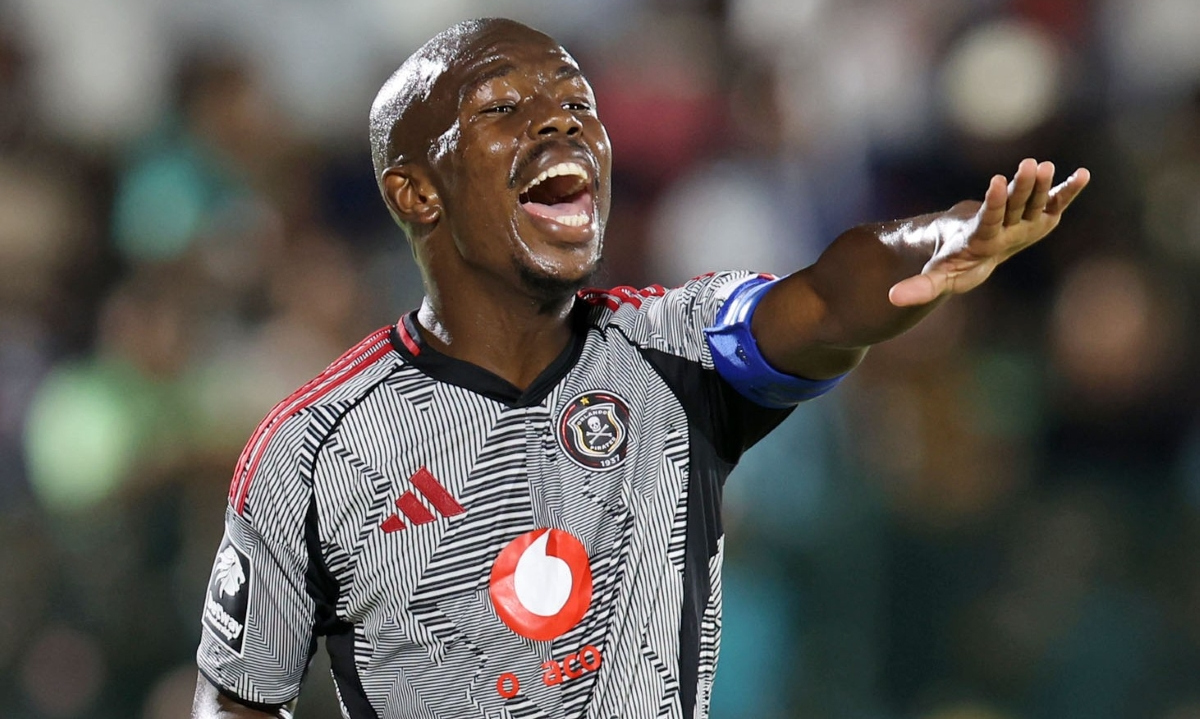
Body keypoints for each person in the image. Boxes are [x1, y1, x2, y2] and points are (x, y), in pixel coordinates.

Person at [190, 17, 1089, 719]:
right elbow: (237, 700)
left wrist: (941, 238)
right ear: (416, 191)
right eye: (503, 108)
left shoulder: (676, 349)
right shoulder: (311, 453)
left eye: (579, 104)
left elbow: (825, 298)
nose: (561, 122)